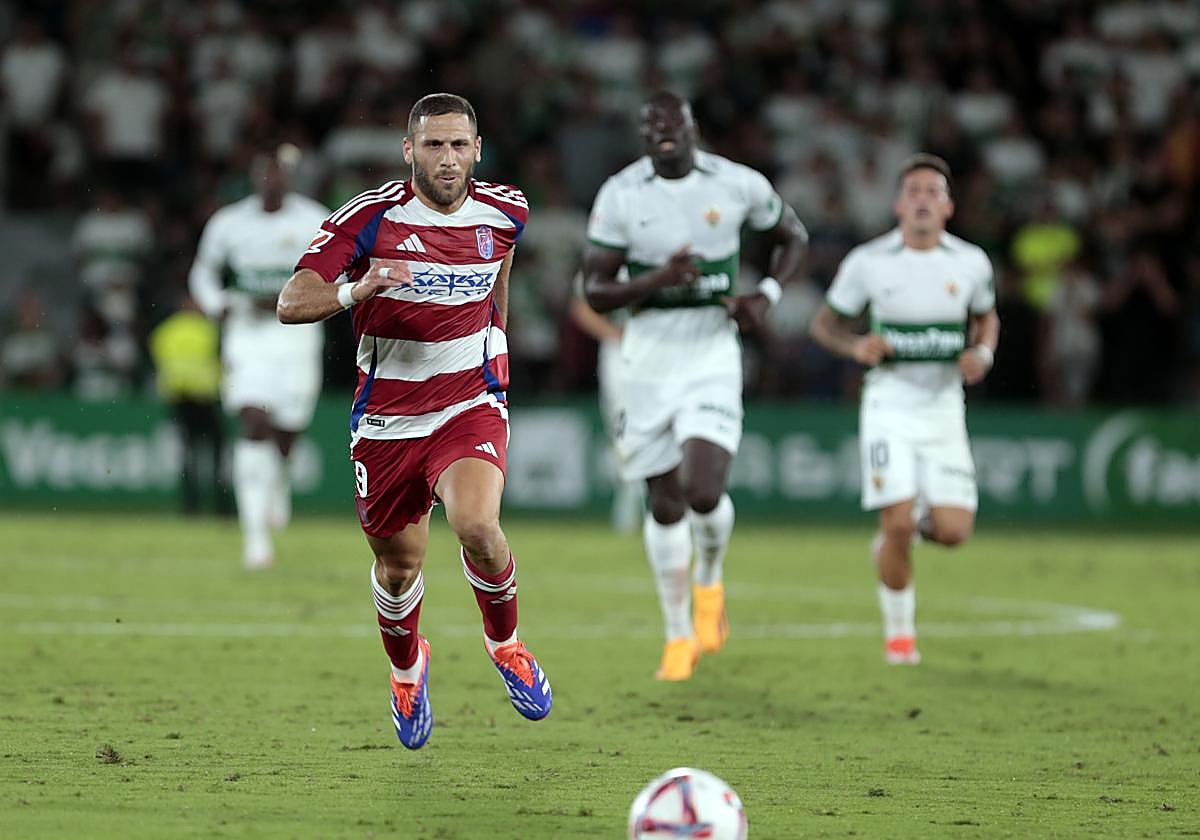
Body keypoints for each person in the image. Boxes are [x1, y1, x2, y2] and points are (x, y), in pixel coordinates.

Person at [276, 93, 552, 749]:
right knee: (399, 570)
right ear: (409, 151)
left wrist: (496, 338)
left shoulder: (507, 210)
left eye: (458, 145)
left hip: (468, 401)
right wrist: (356, 289)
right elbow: (291, 301)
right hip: (388, 419)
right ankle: (407, 670)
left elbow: (498, 269)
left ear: (477, 149)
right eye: (433, 145)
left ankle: (505, 644)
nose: (447, 158)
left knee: (477, 525)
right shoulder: (369, 217)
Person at [581, 91, 808, 681]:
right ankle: (677, 633)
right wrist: (658, 279)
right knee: (664, 503)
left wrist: (767, 295)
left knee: (703, 490)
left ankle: (709, 578)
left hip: (711, 351)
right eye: (651, 126)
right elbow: (594, 291)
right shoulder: (621, 194)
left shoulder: (736, 184)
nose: (663, 133)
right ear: (641, 136)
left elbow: (793, 236)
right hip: (646, 358)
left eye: (672, 124)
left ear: (692, 129)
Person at [808, 153, 1001, 665]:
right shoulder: (869, 262)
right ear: (897, 204)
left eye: (933, 192)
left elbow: (987, 318)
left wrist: (982, 353)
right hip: (888, 404)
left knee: (954, 533)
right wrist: (856, 346)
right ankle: (900, 638)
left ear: (949, 207)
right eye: (913, 191)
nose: (922, 200)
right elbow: (823, 324)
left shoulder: (971, 262)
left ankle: (898, 538)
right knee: (896, 522)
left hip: (943, 407)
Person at [189, 145, 330, 569]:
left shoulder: (314, 219)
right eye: (265, 172)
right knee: (254, 422)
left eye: (279, 173)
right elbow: (202, 271)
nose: (272, 180)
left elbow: (341, 268)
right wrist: (218, 305)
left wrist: (302, 298)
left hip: (297, 336)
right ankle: (255, 539)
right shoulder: (229, 222)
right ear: (254, 177)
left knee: (287, 430)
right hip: (246, 335)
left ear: (291, 177)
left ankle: (279, 477)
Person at [567, 272, 643, 534]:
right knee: (620, 427)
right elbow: (580, 307)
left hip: (659, 347)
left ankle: (659, 498)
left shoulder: (663, 254)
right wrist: (613, 333)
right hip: (619, 351)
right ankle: (629, 493)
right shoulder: (603, 258)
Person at [147, 293, 229, 515]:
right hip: (206, 397)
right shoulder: (208, 329)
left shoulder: (165, 332)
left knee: (187, 454)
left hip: (178, 398)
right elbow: (221, 359)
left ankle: (190, 505)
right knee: (217, 452)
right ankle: (221, 505)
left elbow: (158, 361)